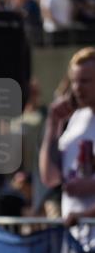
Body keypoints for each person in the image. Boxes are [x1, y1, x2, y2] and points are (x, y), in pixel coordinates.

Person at [39, 47, 95, 233]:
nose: (77, 88)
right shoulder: (77, 118)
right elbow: (50, 178)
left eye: (85, 81)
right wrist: (52, 124)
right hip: (76, 243)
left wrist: (85, 215)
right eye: (74, 81)